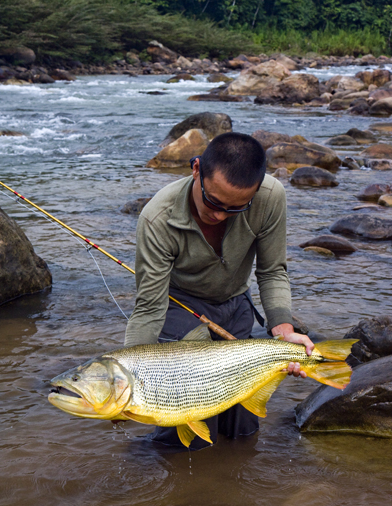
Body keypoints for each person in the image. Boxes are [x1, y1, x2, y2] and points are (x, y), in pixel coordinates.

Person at [124, 132, 314, 448]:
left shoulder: (270, 197)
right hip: (180, 306)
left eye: (237, 207)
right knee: (185, 427)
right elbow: (149, 307)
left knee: (242, 425)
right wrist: (129, 381)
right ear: (196, 169)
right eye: (213, 201)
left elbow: (271, 271)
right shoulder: (157, 218)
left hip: (236, 303)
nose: (220, 215)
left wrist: (282, 331)